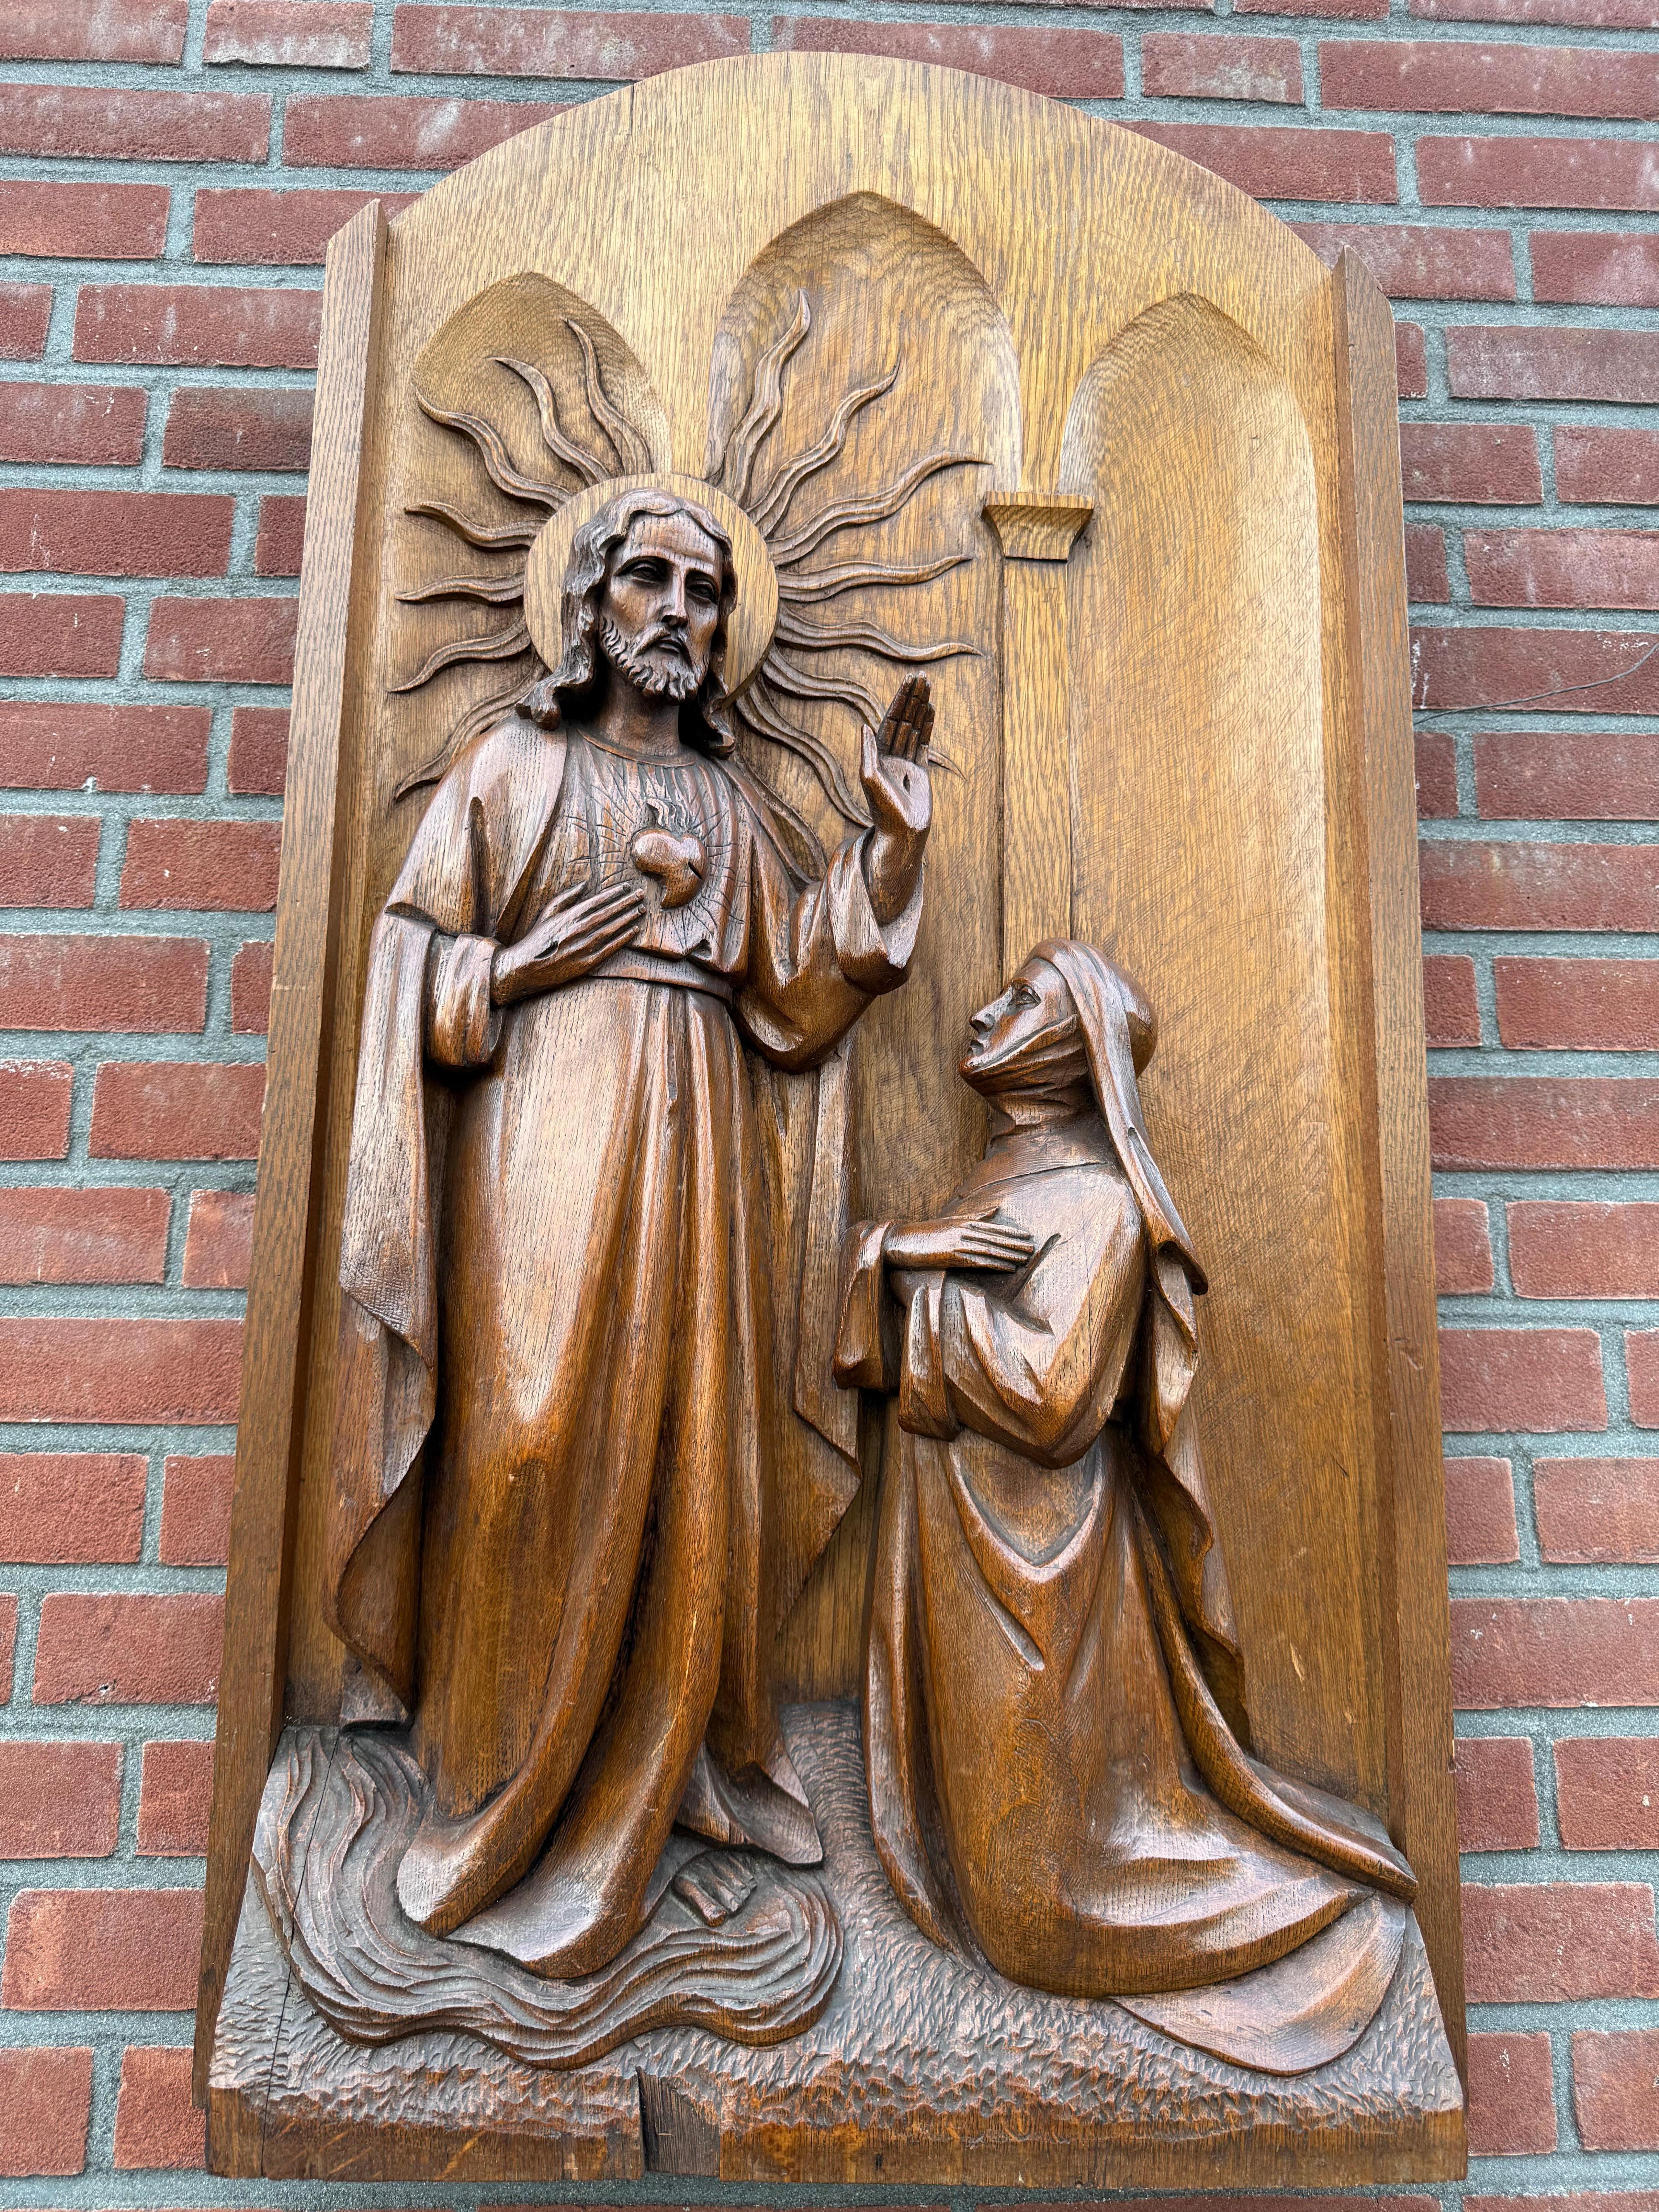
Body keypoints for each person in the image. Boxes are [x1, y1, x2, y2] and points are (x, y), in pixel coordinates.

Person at [323, 487, 934, 1979]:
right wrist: (513, 970)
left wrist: (892, 852)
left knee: (688, 1452)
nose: (677, 609)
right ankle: (490, 1786)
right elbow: (409, 965)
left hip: (708, 1157)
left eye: (704, 590)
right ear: (590, 605)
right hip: (541, 1146)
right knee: (531, 1439)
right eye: (648, 579)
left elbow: (798, 990)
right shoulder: (510, 768)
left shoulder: (729, 809)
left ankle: (673, 1782)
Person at [835, 940, 1418, 2066]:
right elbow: (887, 1336)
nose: (982, 1013)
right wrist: (897, 1250)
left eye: (1022, 1003)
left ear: (1063, 1052)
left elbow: (1053, 1401)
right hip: (961, 1552)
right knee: (978, 1868)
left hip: (1035, 1568)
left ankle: (1317, 1918)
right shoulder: (987, 1193)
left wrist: (922, 1293)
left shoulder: (1096, 1202)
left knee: (1038, 1907)